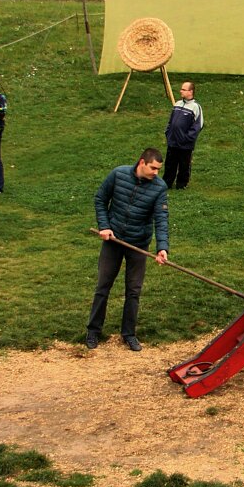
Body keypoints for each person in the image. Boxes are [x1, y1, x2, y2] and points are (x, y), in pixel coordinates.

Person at [87, 148, 169, 352]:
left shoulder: (159, 188)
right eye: (153, 168)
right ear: (142, 162)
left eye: (159, 169)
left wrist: (162, 248)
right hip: (113, 241)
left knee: (133, 290)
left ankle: (129, 334)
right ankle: (93, 331)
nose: (156, 173)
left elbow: (161, 219)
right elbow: (100, 199)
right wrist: (104, 226)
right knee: (103, 286)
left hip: (138, 245)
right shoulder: (118, 174)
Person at [163, 81, 204, 190]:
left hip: (185, 145)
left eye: (183, 89)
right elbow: (170, 121)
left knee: (184, 165)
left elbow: (198, 125)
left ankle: (182, 185)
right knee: (170, 164)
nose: (181, 91)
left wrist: (187, 138)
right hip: (173, 142)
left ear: (191, 91)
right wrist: (168, 133)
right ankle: (167, 183)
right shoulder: (177, 104)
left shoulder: (196, 107)